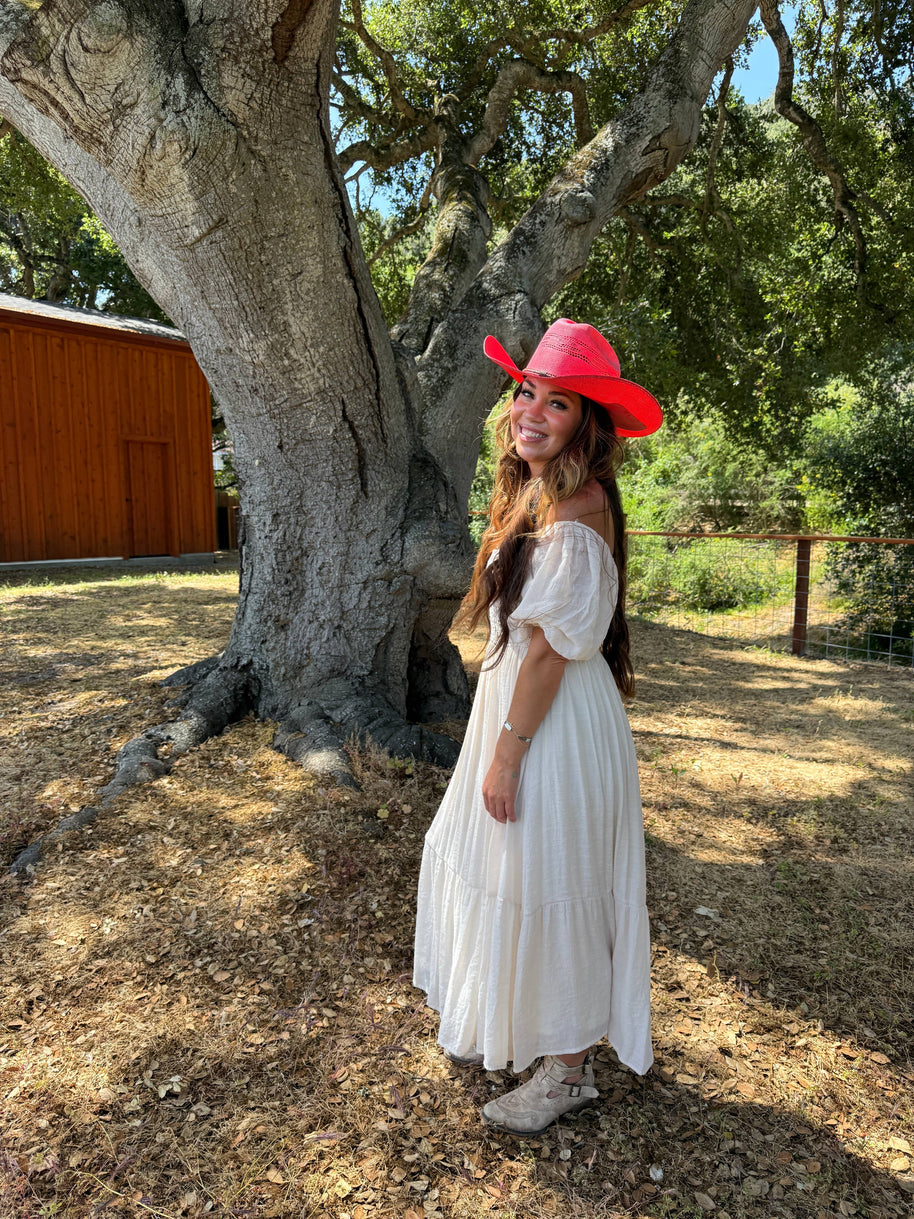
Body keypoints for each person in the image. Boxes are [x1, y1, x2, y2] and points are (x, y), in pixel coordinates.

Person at [412, 318, 663, 1136]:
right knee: (517, 870)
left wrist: (507, 756)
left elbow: (551, 653)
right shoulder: (538, 487)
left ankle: (567, 1072)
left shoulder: (577, 506)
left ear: (588, 425)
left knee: (553, 880)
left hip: (548, 722)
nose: (533, 410)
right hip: (525, 707)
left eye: (558, 402)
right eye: (527, 392)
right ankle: (540, 1037)